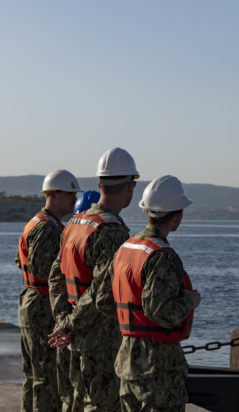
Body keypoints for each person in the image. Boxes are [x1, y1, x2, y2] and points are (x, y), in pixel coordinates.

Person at [48, 147, 139, 411]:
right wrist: (69, 326)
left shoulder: (75, 223)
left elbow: (56, 276)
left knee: (74, 403)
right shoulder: (112, 231)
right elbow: (100, 292)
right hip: (100, 342)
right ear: (130, 187)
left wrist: (62, 319)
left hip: (72, 337)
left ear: (99, 184)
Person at [112, 175, 201, 411]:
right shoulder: (162, 256)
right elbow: (160, 312)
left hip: (127, 358)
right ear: (177, 216)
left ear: (146, 211)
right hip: (157, 366)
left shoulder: (126, 248)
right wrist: (190, 301)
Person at [15, 170, 81, 412]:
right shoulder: (47, 228)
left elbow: (20, 261)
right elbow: (43, 268)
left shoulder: (37, 223)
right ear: (52, 194)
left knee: (34, 377)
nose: (74, 198)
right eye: (69, 193)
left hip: (33, 302)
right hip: (42, 306)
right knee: (47, 379)